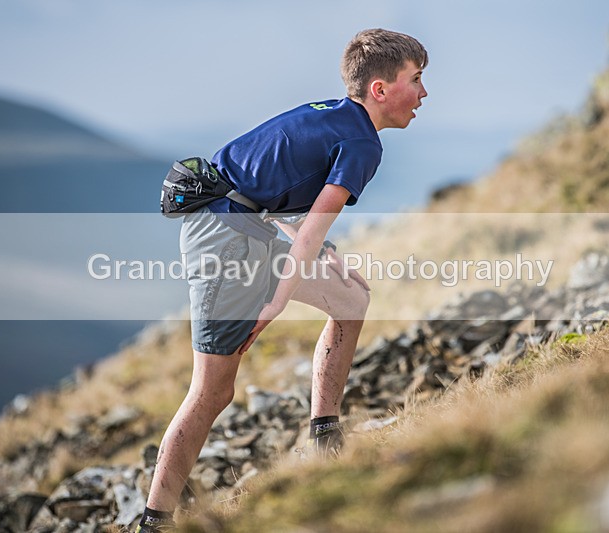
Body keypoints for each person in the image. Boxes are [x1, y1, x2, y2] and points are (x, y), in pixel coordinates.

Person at [137, 28, 428, 532]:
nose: (424, 93)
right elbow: (311, 228)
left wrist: (314, 255)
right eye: (416, 79)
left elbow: (271, 185)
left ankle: (325, 434)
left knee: (351, 296)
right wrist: (276, 301)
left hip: (242, 227)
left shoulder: (333, 114)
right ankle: (154, 519)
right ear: (379, 89)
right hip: (225, 240)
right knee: (212, 391)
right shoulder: (361, 141)